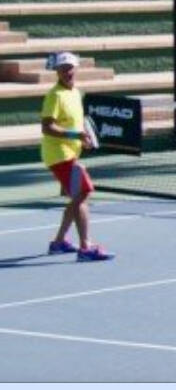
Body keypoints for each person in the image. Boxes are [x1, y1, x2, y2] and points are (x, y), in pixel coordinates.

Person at [39, 52, 113, 261]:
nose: (67, 72)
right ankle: (85, 247)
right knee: (83, 192)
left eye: (70, 68)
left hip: (70, 153)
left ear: (75, 69)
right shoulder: (55, 95)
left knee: (78, 196)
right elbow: (47, 127)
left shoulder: (75, 93)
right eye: (62, 69)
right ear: (57, 72)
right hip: (58, 155)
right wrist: (75, 135)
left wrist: (82, 139)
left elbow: (75, 124)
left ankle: (59, 242)